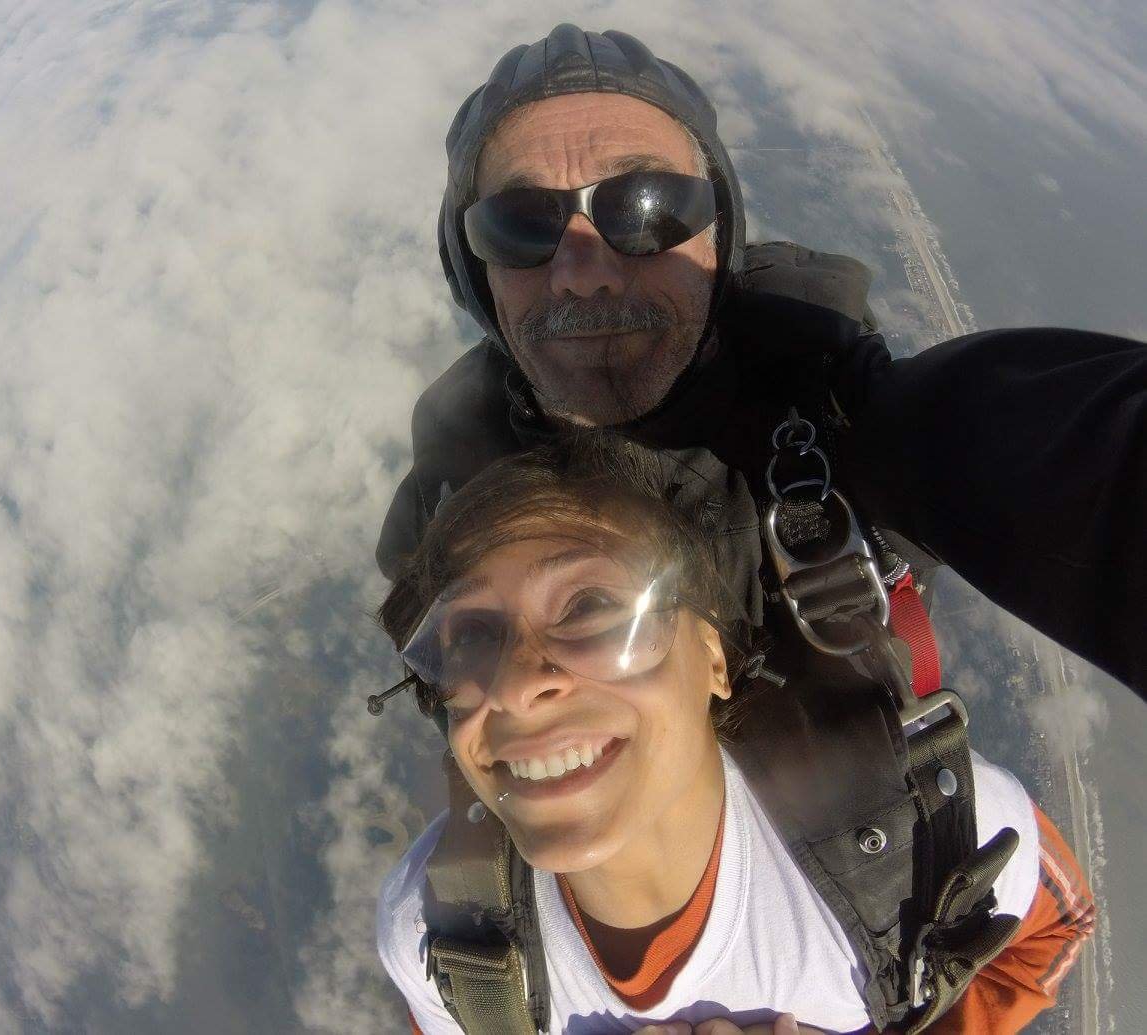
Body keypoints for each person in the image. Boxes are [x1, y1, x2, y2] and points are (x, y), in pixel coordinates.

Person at [375, 23, 1147, 699]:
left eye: (649, 206)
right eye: (520, 223)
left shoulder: (847, 420)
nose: (586, 271)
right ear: (476, 272)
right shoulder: (453, 465)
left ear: (720, 234)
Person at [374, 438, 1095, 1034]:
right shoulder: (442, 941)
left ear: (714, 656)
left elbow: (1050, 926)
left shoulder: (921, 831)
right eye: (469, 635)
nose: (513, 685)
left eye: (591, 604)